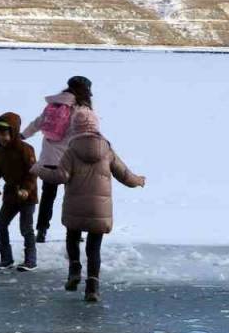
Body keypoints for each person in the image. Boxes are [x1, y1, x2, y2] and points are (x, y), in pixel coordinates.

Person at [33, 111, 145, 303]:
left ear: (75, 128)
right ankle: (92, 287)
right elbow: (125, 175)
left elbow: (60, 177)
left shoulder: (71, 150)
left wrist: (38, 169)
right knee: (94, 248)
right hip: (98, 209)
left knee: (72, 237)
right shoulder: (107, 150)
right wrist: (138, 180)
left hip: (75, 205)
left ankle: (74, 269)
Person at [21, 75, 96, 243]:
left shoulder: (54, 104)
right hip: (70, 159)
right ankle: (74, 232)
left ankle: (41, 231)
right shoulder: (80, 109)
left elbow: (38, 122)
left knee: (48, 196)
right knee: (74, 196)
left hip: (49, 158)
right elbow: (86, 132)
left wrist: (23, 135)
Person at [0, 112, 38, 272]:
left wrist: (26, 190)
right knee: (1, 224)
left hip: (27, 196)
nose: (0, 137)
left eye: (4, 134)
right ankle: (6, 259)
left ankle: (31, 260)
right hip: (10, 195)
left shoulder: (25, 149)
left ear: (13, 132)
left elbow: (33, 172)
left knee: (26, 228)